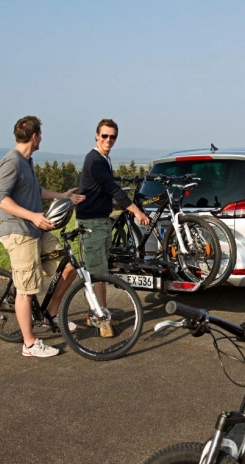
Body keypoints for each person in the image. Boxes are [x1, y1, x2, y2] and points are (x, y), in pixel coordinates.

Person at [0, 116, 85, 357]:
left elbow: (36, 191)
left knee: (68, 267)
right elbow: (0, 198)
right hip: (19, 233)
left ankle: (50, 314)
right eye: (40, 135)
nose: (41, 139)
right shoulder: (11, 162)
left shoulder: (27, 161)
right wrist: (33, 216)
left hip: (36, 231)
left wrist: (62, 195)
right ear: (34, 137)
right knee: (27, 289)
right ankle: (30, 344)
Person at [76, 119, 150, 337]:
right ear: (96, 136)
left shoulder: (103, 159)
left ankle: (97, 313)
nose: (108, 140)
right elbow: (113, 188)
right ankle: (102, 320)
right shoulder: (96, 161)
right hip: (92, 223)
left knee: (98, 269)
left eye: (113, 136)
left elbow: (102, 192)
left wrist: (117, 205)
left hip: (100, 220)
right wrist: (136, 211)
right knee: (98, 272)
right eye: (104, 136)